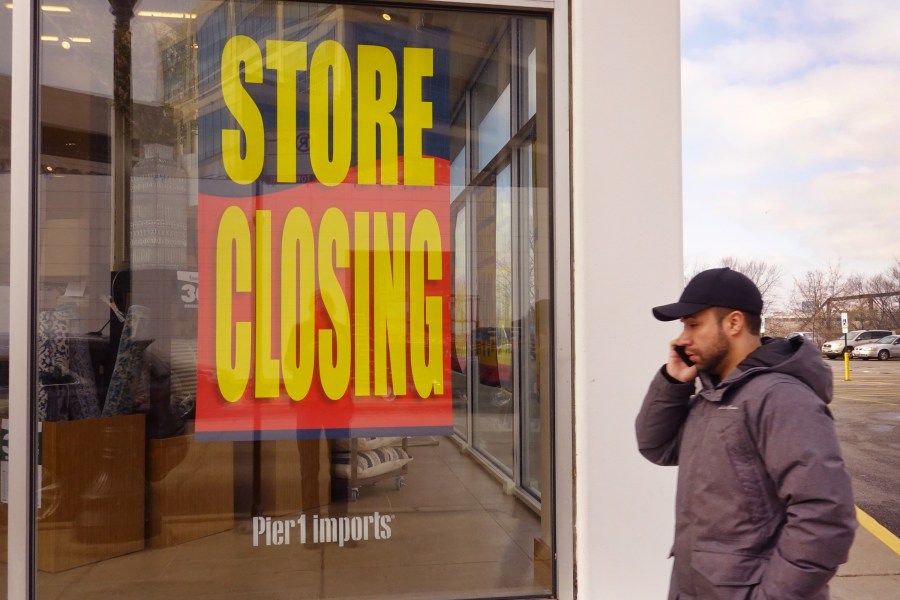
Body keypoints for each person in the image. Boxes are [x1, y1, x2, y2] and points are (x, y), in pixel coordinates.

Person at [635, 267, 857, 600]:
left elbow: (824, 518)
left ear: (734, 323)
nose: (682, 339)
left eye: (694, 325)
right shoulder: (714, 396)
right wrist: (673, 381)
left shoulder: (781, 398)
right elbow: (656, 446)